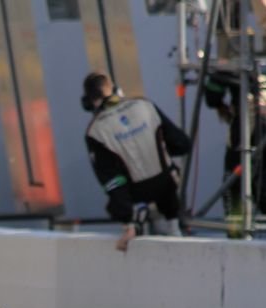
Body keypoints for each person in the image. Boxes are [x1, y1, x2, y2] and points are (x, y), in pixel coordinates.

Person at [81, 72, 190, 251]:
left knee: (116, 193)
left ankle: (136, 220)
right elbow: (182, 144)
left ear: (88, 102)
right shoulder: (145, 105)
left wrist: (128, 221)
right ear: (116, 90)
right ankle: (173, 227)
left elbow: (112, 182)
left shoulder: (95, 131)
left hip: (136, 196)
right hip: (168, 188)